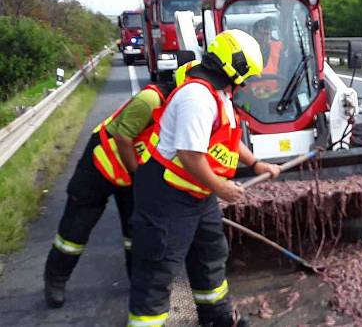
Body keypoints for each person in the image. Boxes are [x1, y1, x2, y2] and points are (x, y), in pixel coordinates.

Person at [127, 29, 281, 327]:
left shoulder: (219, 94)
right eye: (245, 75)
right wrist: (222, 187)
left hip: (198, 191)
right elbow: (190, 156)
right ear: (232, 69)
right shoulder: (197, 97)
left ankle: (218, 320)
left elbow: (226, 138)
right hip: (167, 195)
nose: (247, 83)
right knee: (158, 271)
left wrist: (256, 163)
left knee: (209, 255)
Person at [43, 81, 169, 308]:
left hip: (131, 176)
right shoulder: (150, 100)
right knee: (74, 231)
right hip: (97, 169)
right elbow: (123, 138)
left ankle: (138, 283)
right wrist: (138, 176)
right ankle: (55, 280)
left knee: (137, 232)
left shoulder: (179, 111)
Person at [249, 16, 283, 99]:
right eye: (260, 34)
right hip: (249, 98)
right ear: (253, 34)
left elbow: (286, 72)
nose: (263, 38)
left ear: (270, 34)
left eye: (267, 34)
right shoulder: (245, 50)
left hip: (277, 97)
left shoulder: (280, 48)